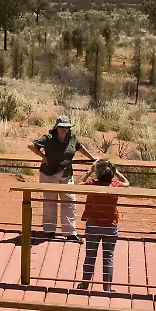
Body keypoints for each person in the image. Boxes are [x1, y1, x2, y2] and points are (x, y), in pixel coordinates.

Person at [28, 115, 97, 241]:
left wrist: (92, 158)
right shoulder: (48, 138)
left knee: (70, 202)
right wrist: (43, 157)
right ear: (56, 127)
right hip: (49, 175)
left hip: (66, 175)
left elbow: (80, 147)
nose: (64, 129)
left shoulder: (72, 138)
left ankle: (70, 232)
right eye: (61, 127)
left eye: (66, 127)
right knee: (50, 202)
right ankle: (49, 231)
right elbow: (31, 145)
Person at [77, 159, 130, 292]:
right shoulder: (115, 185)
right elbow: (127, 183)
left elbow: (77, 184)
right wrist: (116, 171)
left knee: (90, 256)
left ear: (98, 173)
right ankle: (107, 287)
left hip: (93, 225)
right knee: (108, 257)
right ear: (111, 173)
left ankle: (84, 285)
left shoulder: (92, 184)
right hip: (110, 226)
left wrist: (90, 170)